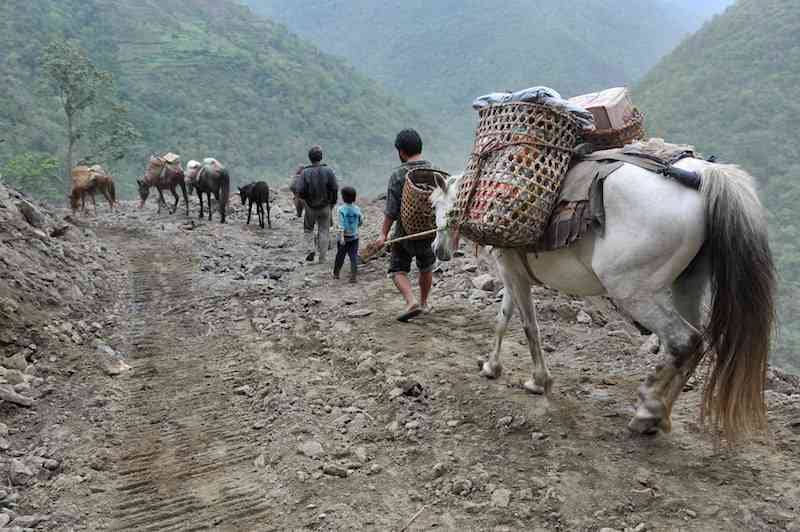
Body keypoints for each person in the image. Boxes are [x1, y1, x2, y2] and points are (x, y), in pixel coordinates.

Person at [376, 129, 437, 322]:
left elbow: (391, 211)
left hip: (405, 232)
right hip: (428, 229)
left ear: (401, 152)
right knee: (426, 267)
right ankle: (424, 302)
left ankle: (411, 301)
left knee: (397, 269)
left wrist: (383, 234)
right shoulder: (432, 170)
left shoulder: (398, 175)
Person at [297, 145, 338, 262]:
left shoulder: (305, 173)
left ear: (309, 158)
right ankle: (322, 258)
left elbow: (300, 191)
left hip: (310, 207)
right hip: (325, 206)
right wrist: (332, 203)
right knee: (324, 230)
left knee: (308, 229)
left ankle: (310, 249)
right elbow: (335, 188)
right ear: (321, 157)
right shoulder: (328, 171)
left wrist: (306, 201)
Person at [333, 186, 363, 283]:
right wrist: (355, 227)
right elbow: (361, 221)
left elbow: (341, 225)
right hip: (354, 237)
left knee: (340, 256)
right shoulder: (357, 209)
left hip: (343, 238)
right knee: (353, 256)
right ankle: (353, 276)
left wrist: (341, 237)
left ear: (343, 197)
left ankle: (336, 273)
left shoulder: (341, 209)